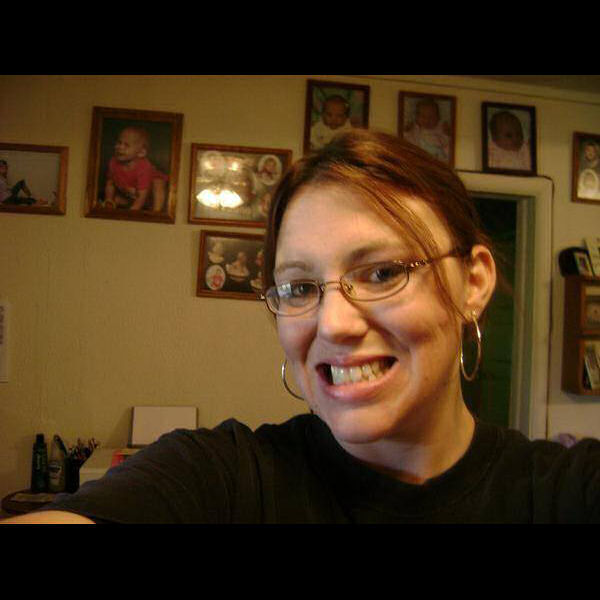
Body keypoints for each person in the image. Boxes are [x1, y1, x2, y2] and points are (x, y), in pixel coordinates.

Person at [3, 130, 600, 524]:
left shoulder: (566, 491)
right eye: (299, 287)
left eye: (382, 272)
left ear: (473, 281)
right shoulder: (222, 479)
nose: (332, 324)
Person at [102, 126, 169, 212]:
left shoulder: (144, 167)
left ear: (141, 153)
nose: (120, 147)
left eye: (126, 145)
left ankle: (156, 211)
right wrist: (109, 199)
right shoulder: (113, 162)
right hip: (131, 193)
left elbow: (142, 195)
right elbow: (110, 184)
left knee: (158, 182)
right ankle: (127, 203)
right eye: (119, 143)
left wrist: (133, 211)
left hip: (147, 194)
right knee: (116, 199)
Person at [403, 98, 450, 163]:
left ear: (438, 117)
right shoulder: (415, 129)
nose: (427, 120)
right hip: (419, 157)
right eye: (423, 116)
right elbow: (407, 141)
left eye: (431, 117)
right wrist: (406, 131)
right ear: (417, 117)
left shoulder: (441, 129)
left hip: (436, 158)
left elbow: (447, 145)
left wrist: (447, 134)